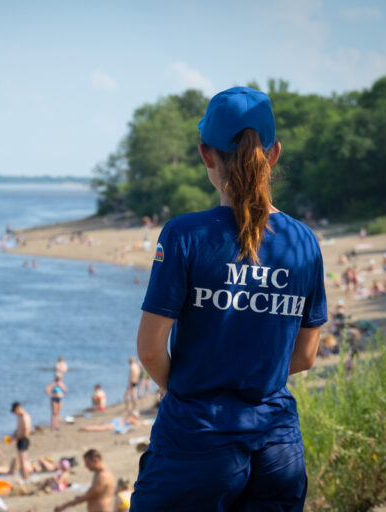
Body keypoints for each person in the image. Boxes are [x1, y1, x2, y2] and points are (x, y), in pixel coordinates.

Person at [131, 87, 327, 510]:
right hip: (277, 446)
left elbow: (149, 350)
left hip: (196, 437)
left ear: (206, 155)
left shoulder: (185, 235)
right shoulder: (304, 242)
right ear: (274, 154)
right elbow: (306, 355)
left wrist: (189, 386)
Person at [11, 401, 32, 481]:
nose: (15, 413)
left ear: (18, 408)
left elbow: (26, 432)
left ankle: (26, 477)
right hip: (19, 439)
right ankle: (24, 476)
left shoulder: (25, 417)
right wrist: (13, 435)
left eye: (15, 411)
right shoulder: (19, 416)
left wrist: (16, 438)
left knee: (23, 460)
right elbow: (18, 429)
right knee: (20, 460)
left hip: (23, 439)